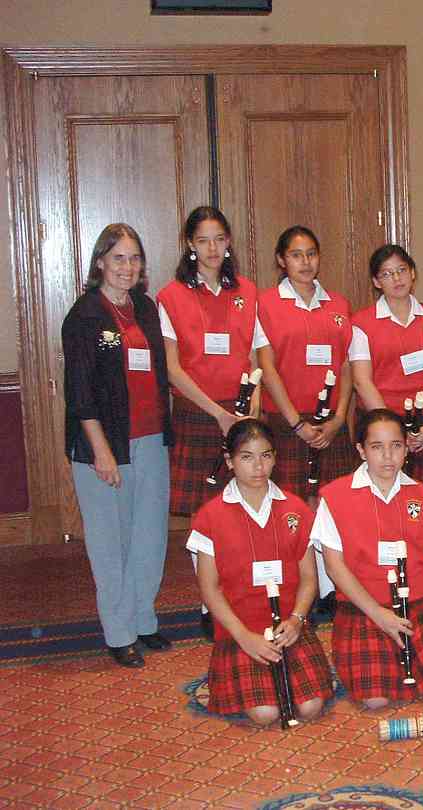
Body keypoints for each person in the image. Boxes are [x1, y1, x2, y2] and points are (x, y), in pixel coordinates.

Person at [62, 223, 173, 668]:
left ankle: (143, 619)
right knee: (112, 544)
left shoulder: (146, 309)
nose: (127, 267)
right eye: (119, 258)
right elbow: (80, 393)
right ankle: (118, 631)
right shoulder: (85, 316)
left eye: (134, 258)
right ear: (100, 263)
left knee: (149, 538)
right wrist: (101, 449)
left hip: (151, 441)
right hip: (104, 446)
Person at [314, 409, 423, 709]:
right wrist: (378, 614)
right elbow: (334, 566)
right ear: (361, 450)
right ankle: (369, 656)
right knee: (375, 699)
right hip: (364, 605)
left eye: (396, 445)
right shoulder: (335, 496)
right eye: (376, 447)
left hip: (420, 600)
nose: (388, 456)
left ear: (407, 447)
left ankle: (400, 656)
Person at [186, 420, 333, 725]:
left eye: (266, 456)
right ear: (229, 461)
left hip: (289, 628)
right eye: (246, 457)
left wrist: (297, 620)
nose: (258, 467)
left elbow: (309, 578)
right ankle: (224, 678)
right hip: (240, 630)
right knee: (266, 714)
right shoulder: (210, 516)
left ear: (275, 458)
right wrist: (243, 636)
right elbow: (209, 589)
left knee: (310, 708)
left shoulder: (295, 509)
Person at [157, 206, 258, 516]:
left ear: (228, 241)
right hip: (197, 415)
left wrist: (253, 408)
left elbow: (254, 361)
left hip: (241, 412)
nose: (212, 249)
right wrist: (218, 414)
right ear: (190, 244)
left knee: (244, 508)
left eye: (218, 239)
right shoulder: (171, 296)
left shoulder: (248, 291)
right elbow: (172, 370)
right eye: (203, 240)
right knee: (201, 513)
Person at [254, 226, 354, 503]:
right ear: (281, 260)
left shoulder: (338, 304)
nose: (305, 262)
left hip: (331, 422)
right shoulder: (266, 304)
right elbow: (267, 368)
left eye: (311, 254)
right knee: (292, 507)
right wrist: (297, 424)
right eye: (296, 255)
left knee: (334, 505)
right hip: (287, 421)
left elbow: (346, 364)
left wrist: (339, 417)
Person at [351, 244, 423, 499]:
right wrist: (393, 431)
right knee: (384, 495)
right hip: (382, 424)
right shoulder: (362, 323)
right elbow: (362, 382)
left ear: (413, 274)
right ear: (376, 281)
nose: (396, 278)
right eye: (387, 274)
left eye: (401, 270)